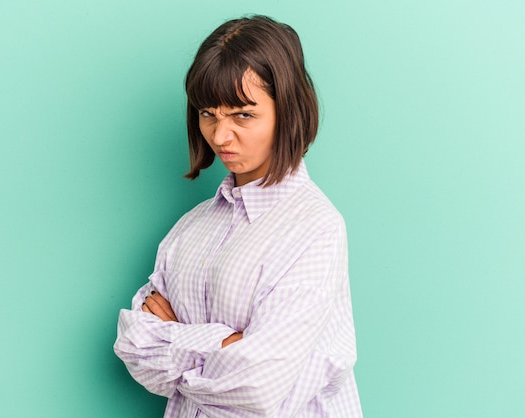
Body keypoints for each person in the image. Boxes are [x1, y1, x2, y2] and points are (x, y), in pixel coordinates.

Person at [114, 15, 363, 418]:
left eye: (242, 115)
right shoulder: (191, 227)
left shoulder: (316, 228)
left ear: (288, 110)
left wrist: (177, 338)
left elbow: (256, 389)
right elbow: (135, 347)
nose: (219, 135)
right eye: (208, 113)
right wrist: (228, 342)